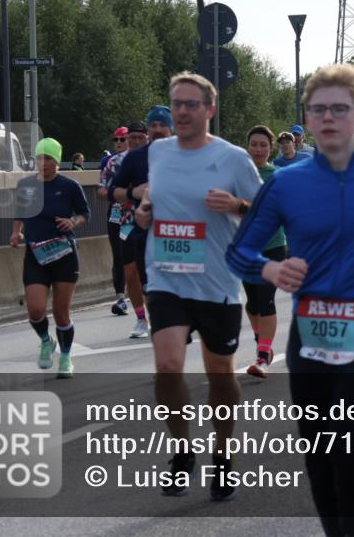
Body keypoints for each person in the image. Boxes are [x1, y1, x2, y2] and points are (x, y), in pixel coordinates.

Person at [226, 63, 354, 535]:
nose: (327, 118)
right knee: (320, 452)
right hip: (312, 331)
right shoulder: (285, 182)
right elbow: (239, 251)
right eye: (317, 109)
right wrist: (271, 268)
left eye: (339, 109)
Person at [134, 72, 263, 502]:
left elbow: (265, 214)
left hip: (217, 282)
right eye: (177, 104)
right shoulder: (158, 151)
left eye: (192, 104)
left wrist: (237, 205)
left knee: (220, 374)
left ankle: (223, 455)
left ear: (210, 110)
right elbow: (150, 198)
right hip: (166, 275)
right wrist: (145, 212)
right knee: (168, 366)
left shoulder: (233, 159)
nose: (183, 111)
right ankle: (182, 451)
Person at [10, 138, 90, 378]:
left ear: (57, 161)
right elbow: (19, 212)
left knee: (61, 312)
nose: (43, 163)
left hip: (63, 253)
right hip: (36, 254)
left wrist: (72, 222)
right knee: (35, 309)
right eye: (39, 158)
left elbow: (84, 213)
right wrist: (16, 232)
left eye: (49, 159)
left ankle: (65, 357)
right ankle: (46, 341)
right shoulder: (25, 185)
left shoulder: (69, 185)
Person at [112, 110, 174, 339]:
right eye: (153, 125)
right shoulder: (128, 160)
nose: (157, 129)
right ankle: (143, 319)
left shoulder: (188, 153)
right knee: (134, 275)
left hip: (180, 232)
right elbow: (108, 191)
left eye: (162, 125)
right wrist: (132, 192)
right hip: (133, 226)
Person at [240, 125, 287, 378]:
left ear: (270, 148)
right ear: (248, 146)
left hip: (274, 247)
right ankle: (263, 341)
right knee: (253, 303)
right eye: (254, 144)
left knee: (266, 299)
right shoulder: (238, 173)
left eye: (263, 145)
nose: (258, 149)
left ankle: (262, 356)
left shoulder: (278, 175)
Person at [98, 126, 129, 317]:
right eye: (115, 140)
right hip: (115, 213)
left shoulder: (142, 159)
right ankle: (120, 297)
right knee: (118, 255)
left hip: (136, 214)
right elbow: (101, 190)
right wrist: (114, 194)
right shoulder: (108, 162)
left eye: (122, 139)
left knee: (136, 257)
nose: (118, 143)